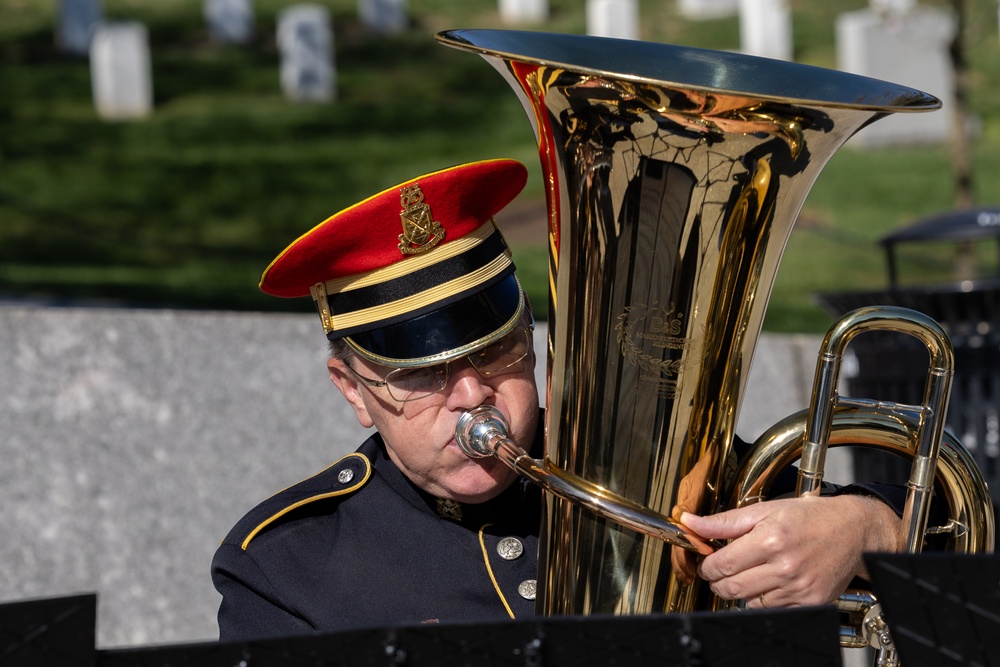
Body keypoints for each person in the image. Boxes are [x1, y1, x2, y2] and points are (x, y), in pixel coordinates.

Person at [211, 158, 903, 640]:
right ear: (354, 391)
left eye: (495, 351)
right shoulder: (287, 567)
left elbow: (953, 545)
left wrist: (867, 533)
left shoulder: (648, 471)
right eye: (421, 374)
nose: (473, 394)